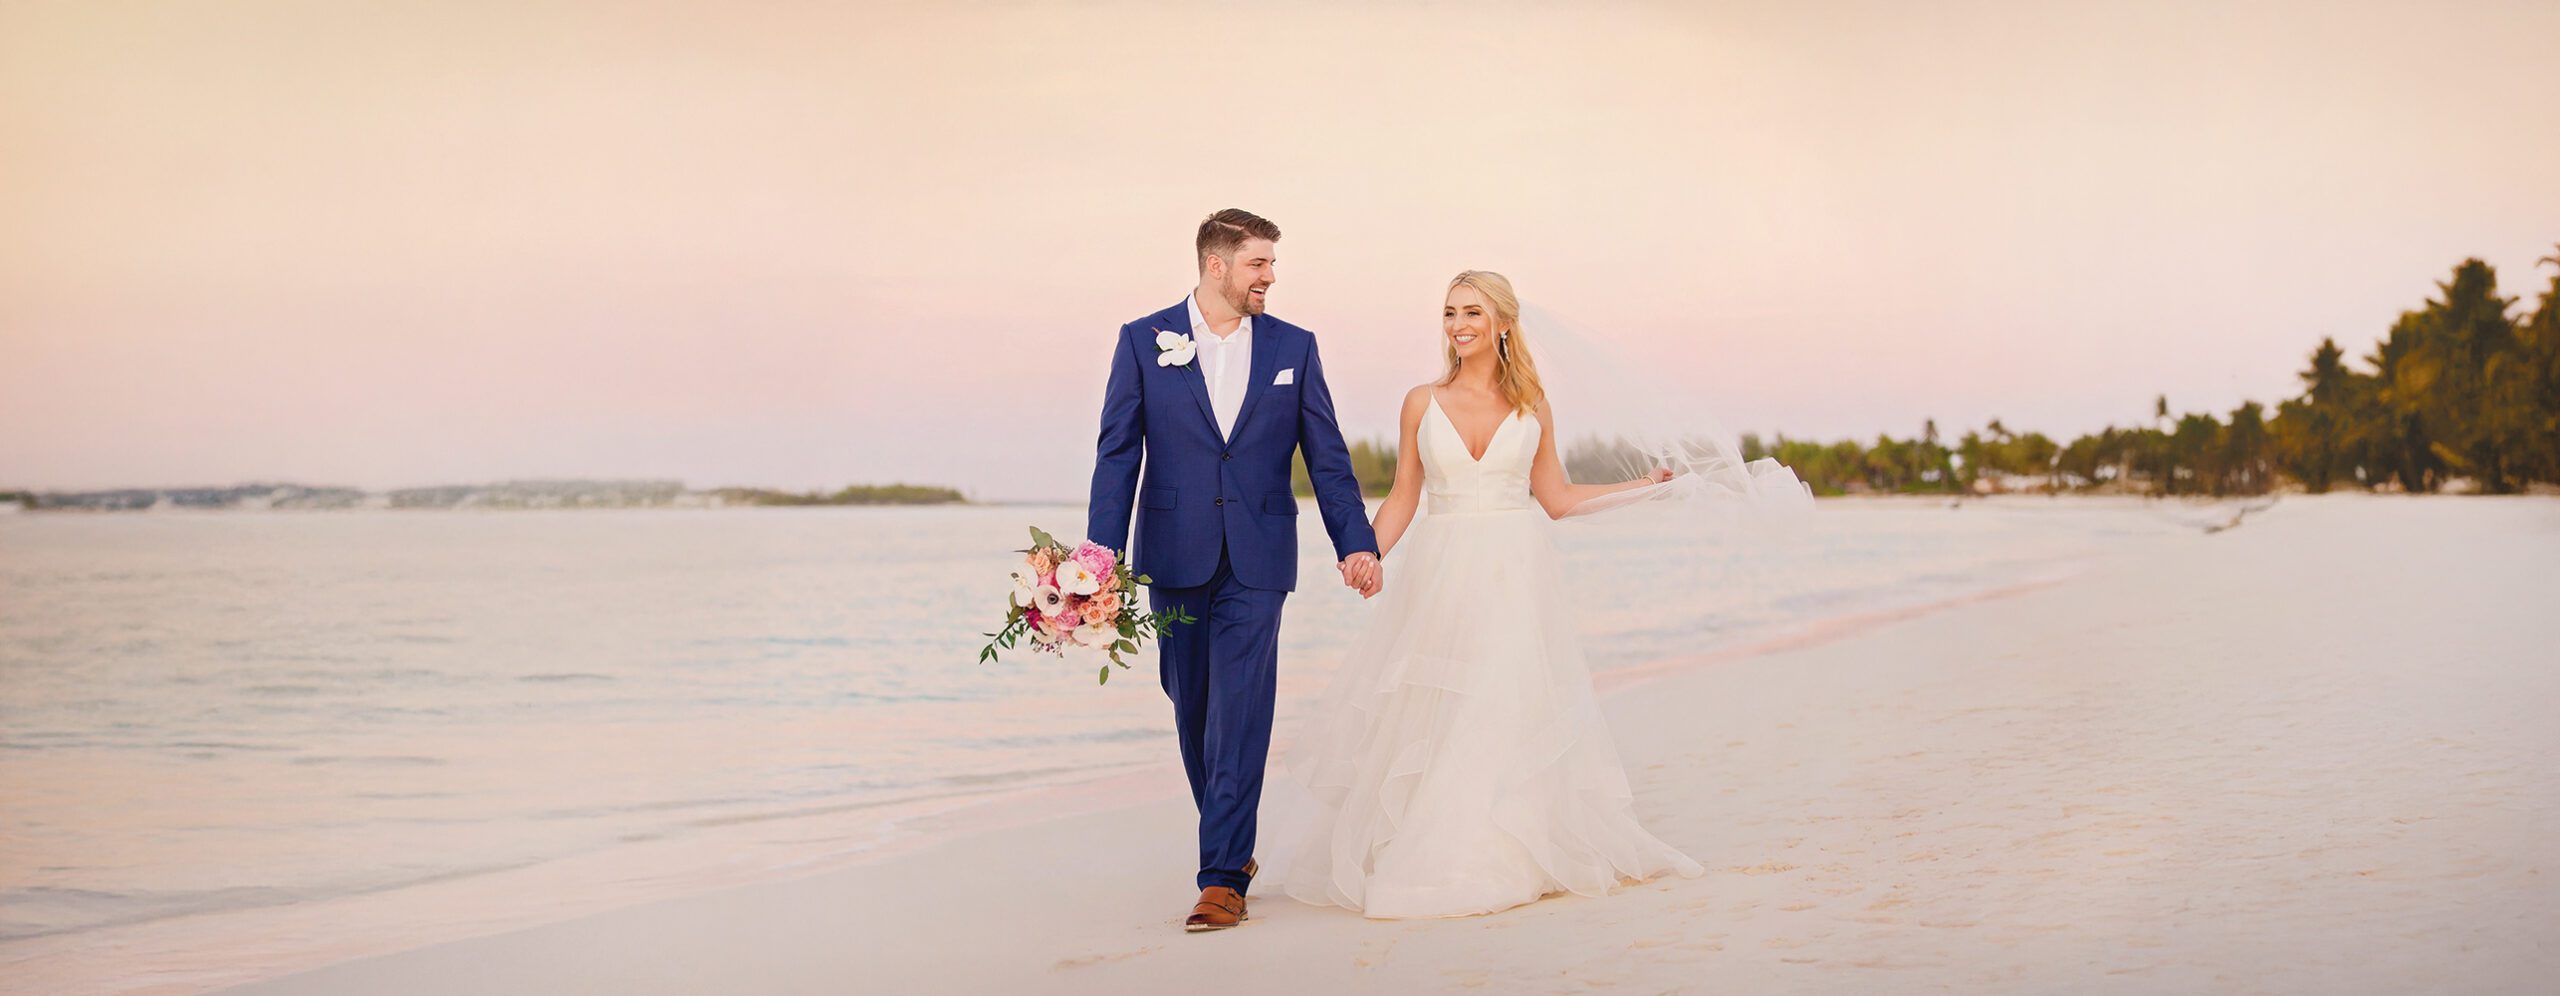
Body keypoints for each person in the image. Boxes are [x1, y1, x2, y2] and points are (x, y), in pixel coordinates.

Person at [1277, 269, 1709, 918]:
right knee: (1443, 706)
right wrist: (1364, 553)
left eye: (1473, 312)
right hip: (1441, 574)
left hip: (1515, 576)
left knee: (1501, 705)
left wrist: (1643, 488)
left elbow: (1557, 499)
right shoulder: (1421, 402)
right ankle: (1436, 845)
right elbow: (1404, 496)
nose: (1458, 325)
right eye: (1450, 313)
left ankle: (1503, 849)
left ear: (1504, 323)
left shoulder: (1533, 406)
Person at [1085, 208, 1384, 932]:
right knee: (1192, 708)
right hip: (1174, 554)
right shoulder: (1142, 340)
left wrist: (1356, 542)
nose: (1270, 277)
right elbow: (1117, 456)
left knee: (1241, 710)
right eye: (1258, 263)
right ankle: (1232, 846)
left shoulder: (1293, 347)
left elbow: (1328, 457)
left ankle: (1221, 878)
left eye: (1271, 264)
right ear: (1216, 265)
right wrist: (1099, 563)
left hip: (1259, 555)